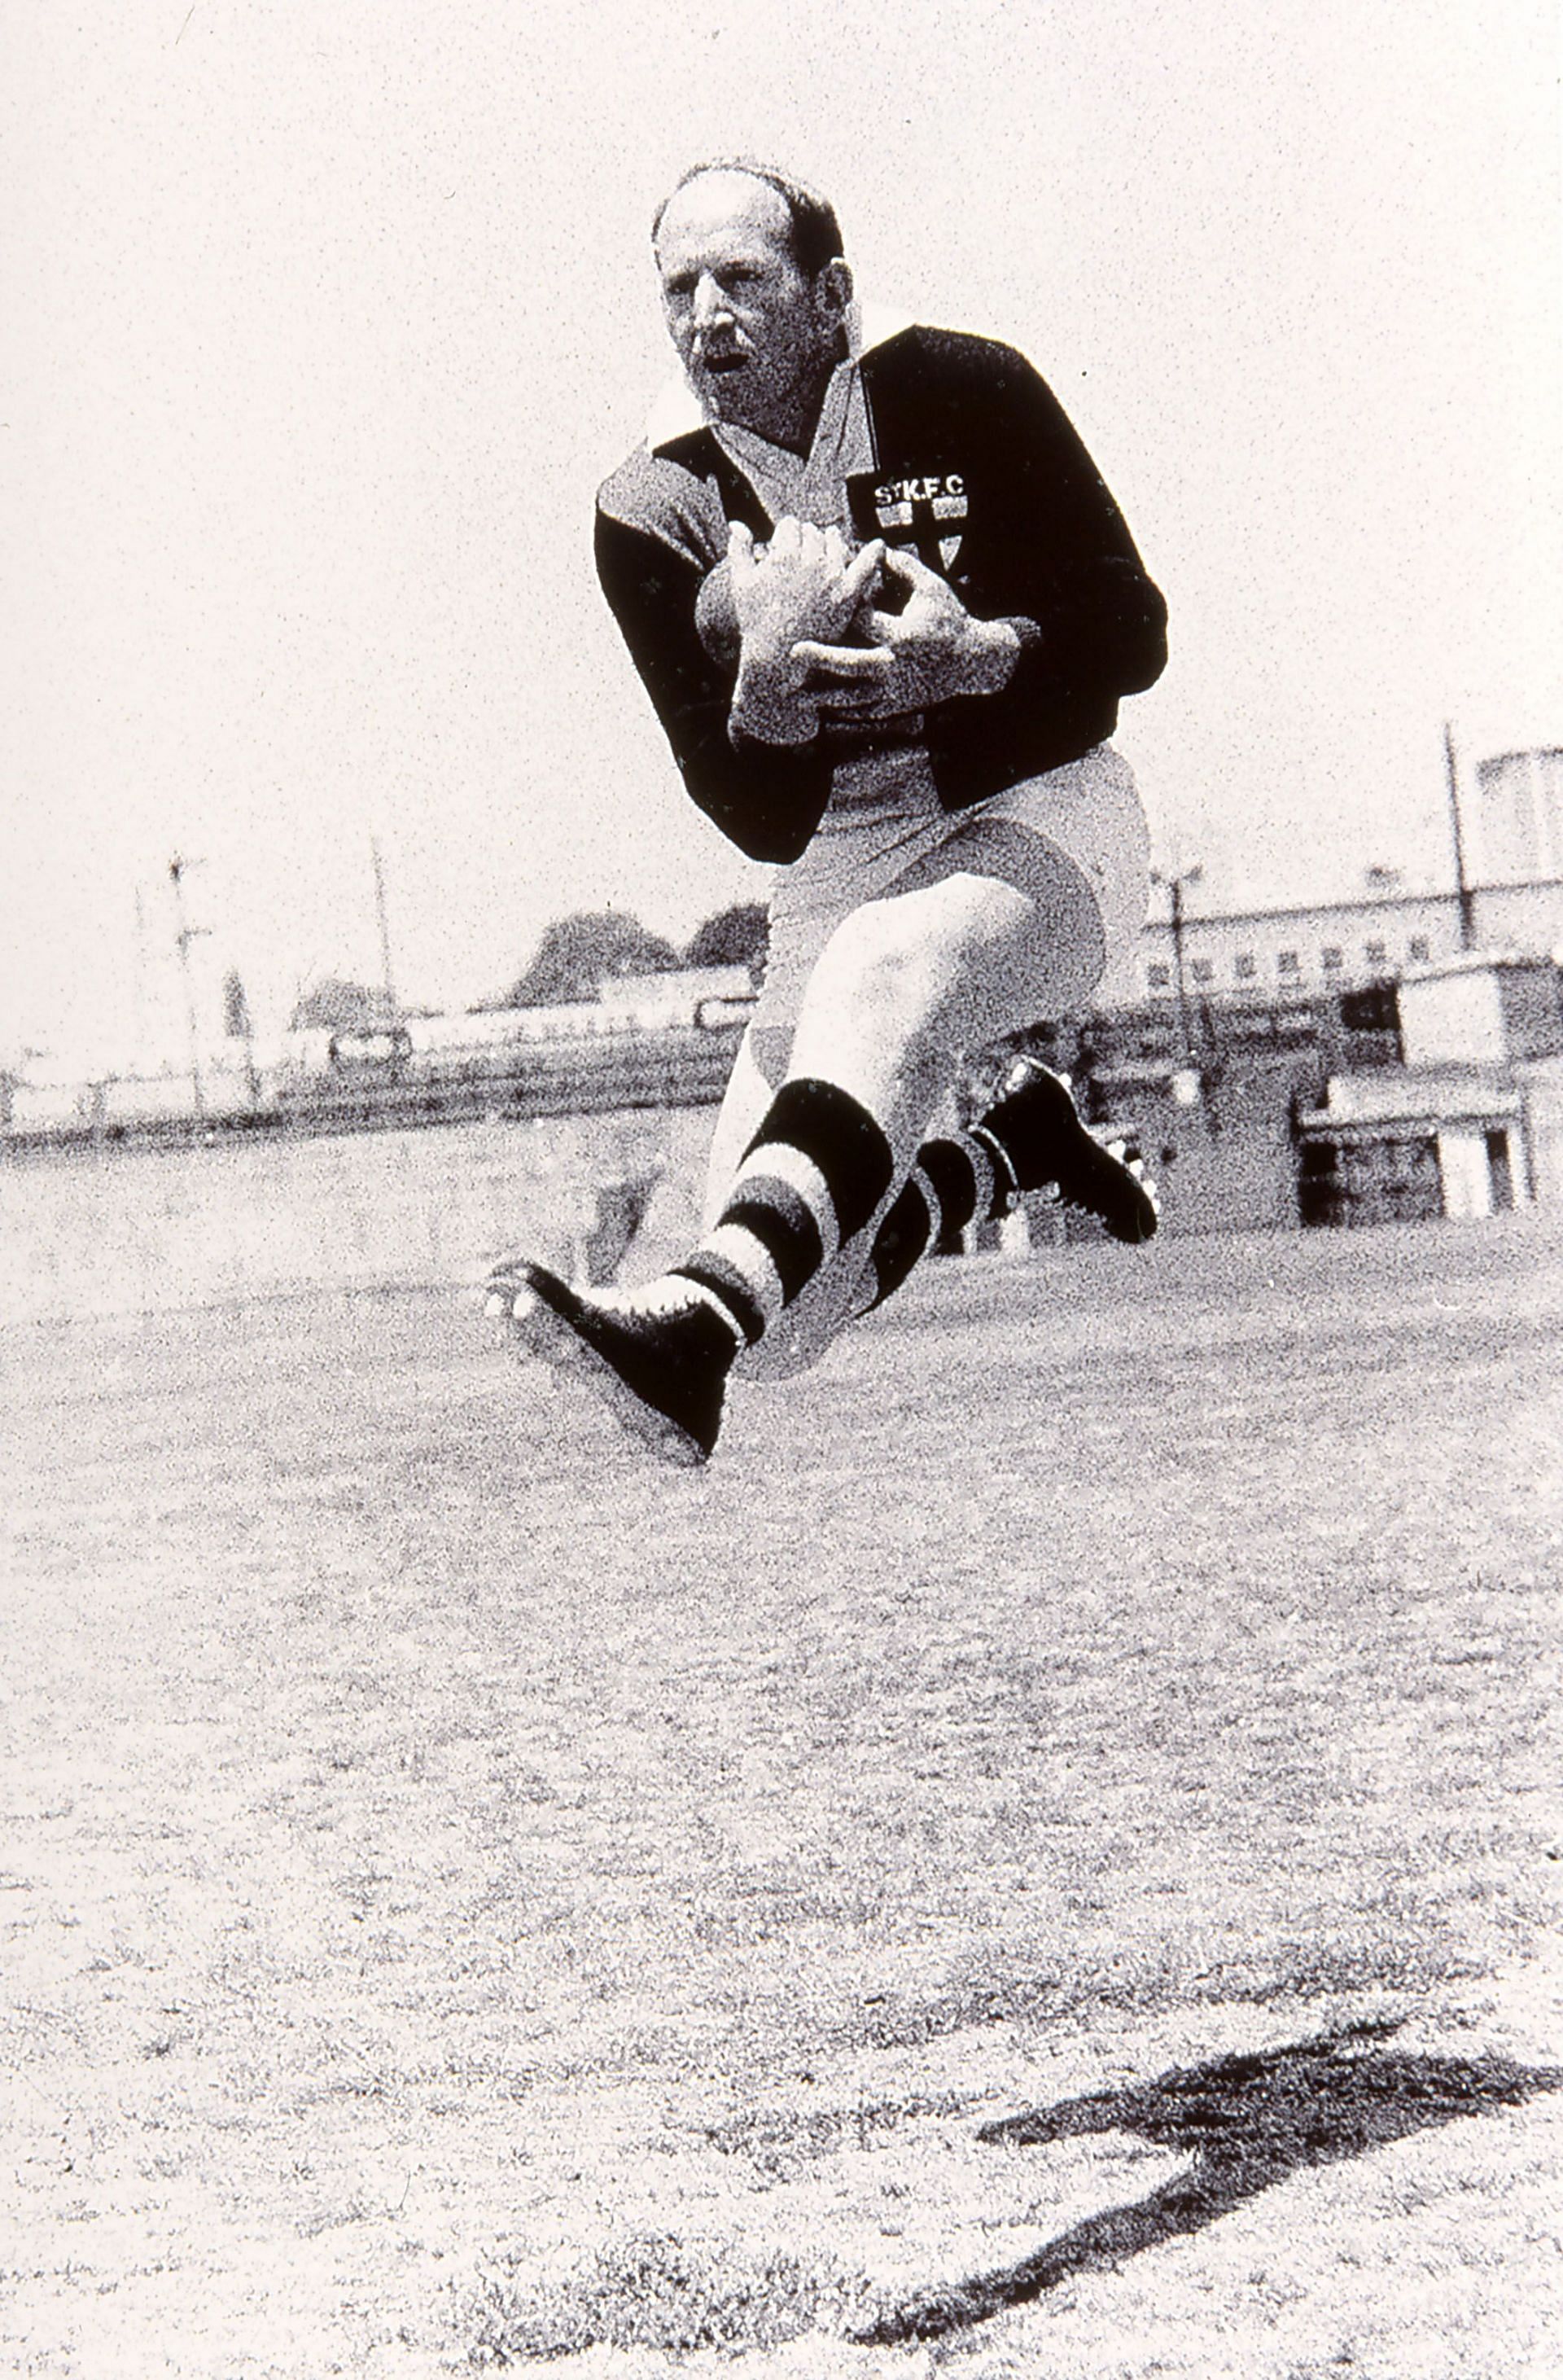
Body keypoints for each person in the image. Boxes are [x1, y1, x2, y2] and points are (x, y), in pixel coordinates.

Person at [489, 160, 1167, 1464]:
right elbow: (754, 821)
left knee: (881, 968)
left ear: (831, 296)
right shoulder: (650, 505)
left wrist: (984, 655)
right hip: (845, 854)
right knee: (792, 1322)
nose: (704, 316)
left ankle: (688, 1333)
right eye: (676, 287)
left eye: (741, 278)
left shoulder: (966, 390)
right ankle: (1013, 1145)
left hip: (1045, 808)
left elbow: (1133, 631)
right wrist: (763, 680)